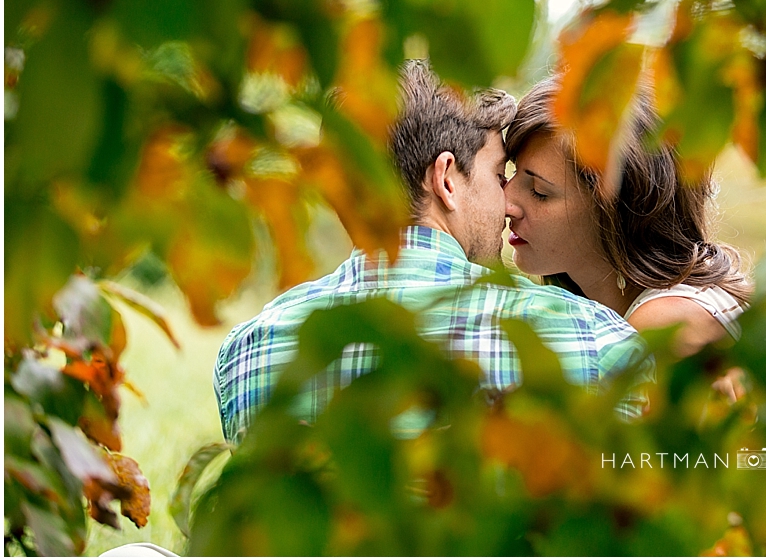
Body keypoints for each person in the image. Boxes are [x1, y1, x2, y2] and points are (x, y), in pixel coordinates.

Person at [214, 61, 652, 444]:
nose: (507, 202)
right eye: (499, 174)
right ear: (445, 180)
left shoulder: (251, 348)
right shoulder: (594, 340)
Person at [503, 76, 751, 401]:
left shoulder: (665, 325)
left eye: (540, 192)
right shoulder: (629, 307)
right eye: (509, 174)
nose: (507, 202)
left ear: (618, 211)